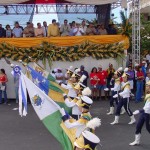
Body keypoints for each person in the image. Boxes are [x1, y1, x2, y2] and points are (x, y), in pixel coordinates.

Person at [129, 81, 150, 146]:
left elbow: (148, 107)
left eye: (147, 86)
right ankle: (137, 141)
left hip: (148, 114)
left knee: (148, 128)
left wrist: (139, 111)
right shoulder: (148, 94)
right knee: (138, 126)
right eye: (146, 86)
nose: (146, 87)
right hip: (144, 113)